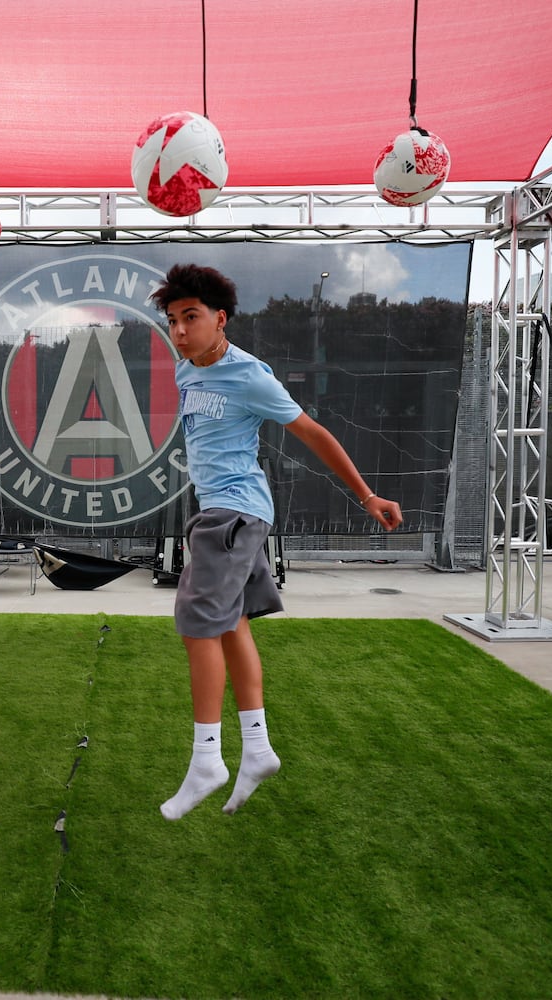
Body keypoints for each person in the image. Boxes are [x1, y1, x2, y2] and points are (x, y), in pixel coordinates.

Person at [152, 263, 402, 820]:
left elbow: (313, 432)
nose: (180, 331)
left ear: (220, 319)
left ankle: (206, 761)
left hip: (235, 515)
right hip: (219, 514)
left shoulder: (250, 376)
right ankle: (258, 749)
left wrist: (366, 497)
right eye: (172, 320)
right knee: (230, 624)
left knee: (197, 626)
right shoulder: (186, 370)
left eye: (191, 318)